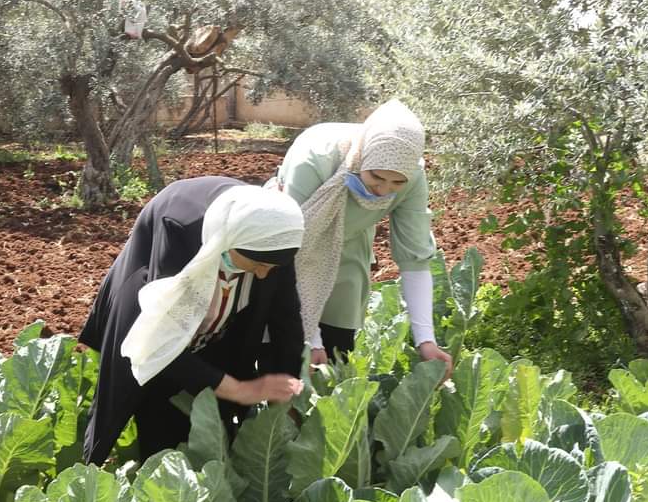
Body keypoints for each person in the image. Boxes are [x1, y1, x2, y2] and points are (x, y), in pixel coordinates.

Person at [79, 176, 305, 466]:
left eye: (271, 267)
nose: (263, 274)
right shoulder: (180, 230)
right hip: (153, 304)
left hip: (216, 312)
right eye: (258, 265)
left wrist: (286, 391)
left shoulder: (274, 240)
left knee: (213, 416)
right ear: (229, 243)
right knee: (153, 403)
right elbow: (159, 340)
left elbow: (286, 319)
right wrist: (237, 389)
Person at [268, 99, 453, 376]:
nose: (384, 190)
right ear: (363, 157)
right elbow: (292, 250)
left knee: (338, 343)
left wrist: (426, 341)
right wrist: (310, 337)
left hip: (351, 238)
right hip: (291, 240)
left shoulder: (413, 176)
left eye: (397, 183)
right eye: (376, 177)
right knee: (286, 344)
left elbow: (415, 259)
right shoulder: (316, 160)